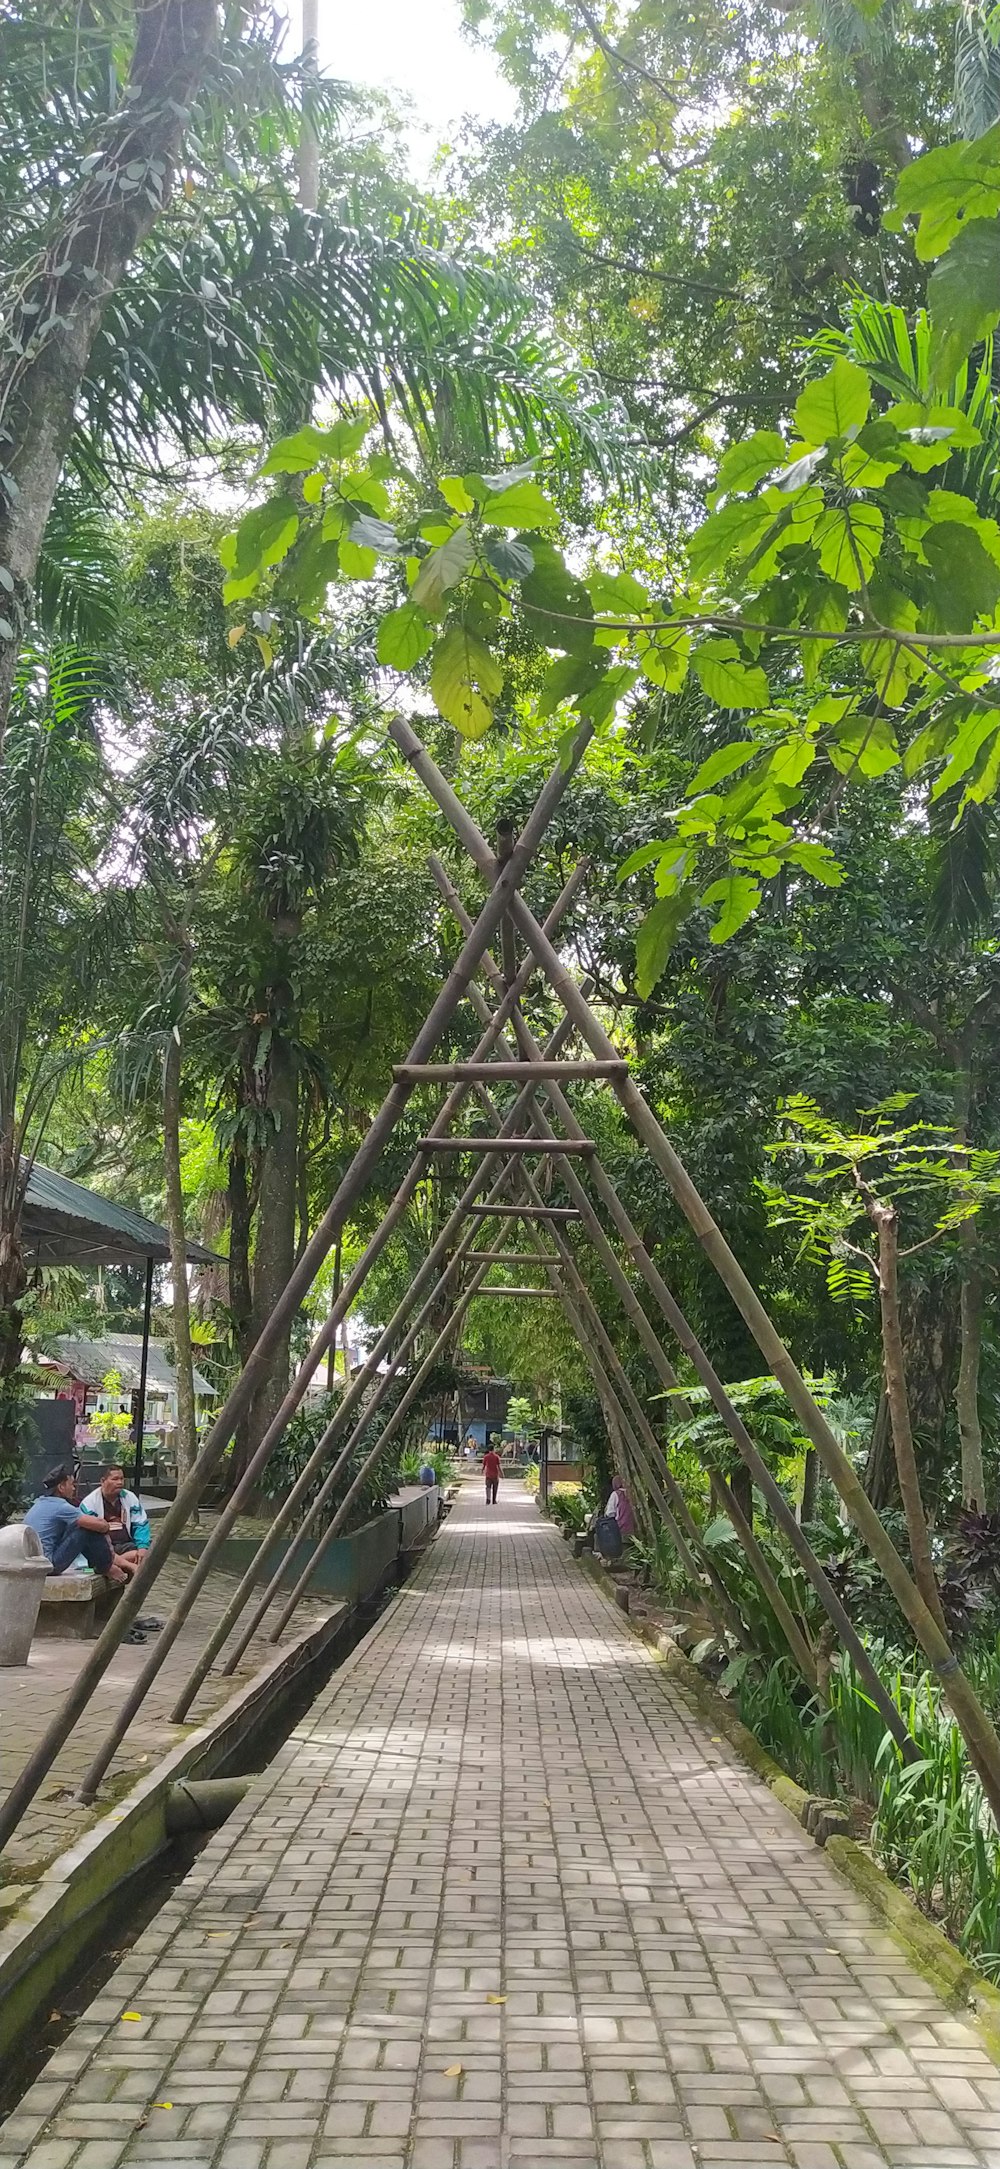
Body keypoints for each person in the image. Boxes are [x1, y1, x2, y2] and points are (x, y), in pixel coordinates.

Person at [25, 1466, 127, 1581]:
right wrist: (106, 1527)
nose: (74, 1488)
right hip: (50, 1565)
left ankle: (99, 1565)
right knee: (86, 1529)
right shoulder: (60, 1506)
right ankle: (106, 1567)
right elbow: (100, 1525)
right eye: (72, 1484)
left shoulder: (40, 1503)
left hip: (34, 1564)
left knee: (81, 1525)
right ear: (61, 1487)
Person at [79, 1465, 150, 1579]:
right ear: (103, 1481)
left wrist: (142, 1547)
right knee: (127, 1557)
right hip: (103, 1548)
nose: (120, 1483)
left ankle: (110, 1565)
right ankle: (121, 1565)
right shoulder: (89, 1503)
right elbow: (90, 1537)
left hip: (125, 1546)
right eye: (115, 1479)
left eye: (122, 1479)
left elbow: (140, 1523)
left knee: (142, 1555)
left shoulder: (129, 1497)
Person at [605, 1473, 637, 1539]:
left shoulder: (615, 1494)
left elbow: (610, 1513)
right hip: (632, 1528)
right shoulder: (632, 1493)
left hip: (619, 1528)